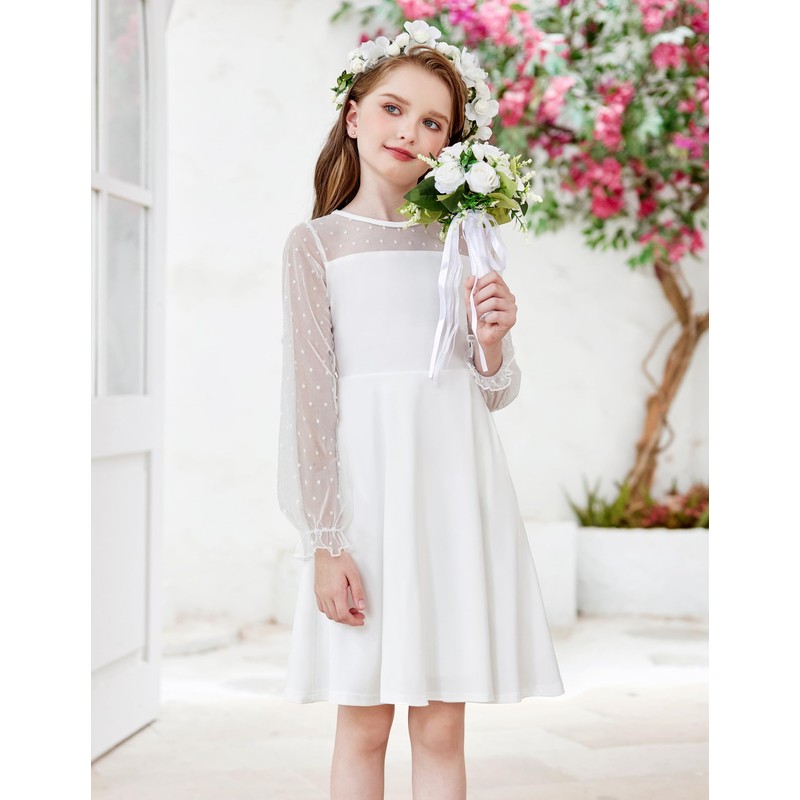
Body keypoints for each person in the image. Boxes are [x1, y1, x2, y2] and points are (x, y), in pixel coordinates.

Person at [277, 20, 565, 800]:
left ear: (451, 145)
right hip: (367, 507)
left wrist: (494, 341)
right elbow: (311, 403)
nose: (409, 131)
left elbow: (492, 390)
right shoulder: (317, 244)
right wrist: (326, 543)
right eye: (393, 109)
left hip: (449, 497)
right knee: (364, 726)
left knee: (440, 729)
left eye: (433, 122)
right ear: (354, 116)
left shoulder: (461, 241)